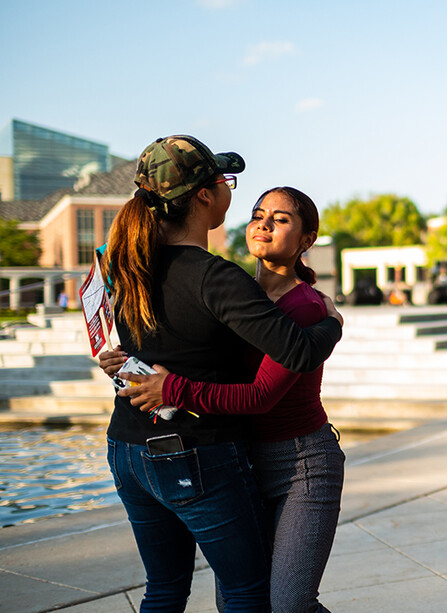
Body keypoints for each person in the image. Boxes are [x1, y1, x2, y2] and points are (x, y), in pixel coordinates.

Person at [101, 135, 343, 612]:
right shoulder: (224, 283)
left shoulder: (141, 267)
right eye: (257, 213)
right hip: (224, 456)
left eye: (281, 219)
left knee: (278, 602)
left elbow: (258, 392)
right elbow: (188, 356)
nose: (263, 224)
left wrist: (155, 379)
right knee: (243, 596)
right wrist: (129, 363)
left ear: (307, 240)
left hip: (291, 460)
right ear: (206, 196)